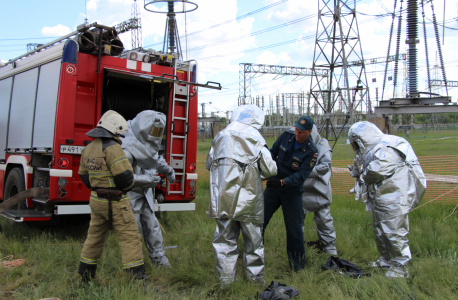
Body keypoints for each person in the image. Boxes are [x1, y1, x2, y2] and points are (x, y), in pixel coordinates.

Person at [206, 105, 277, 287]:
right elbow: (270, 170)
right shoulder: (255, 137)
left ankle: (225, 282)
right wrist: (252, 175)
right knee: (253, 242)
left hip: (223, 199)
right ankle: (255, 281)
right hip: (249, 200)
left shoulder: (220, 136)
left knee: (224, 241)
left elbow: (209, 164)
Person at [348, 121, 426, 278]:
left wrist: (360, 175)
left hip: (395, 196)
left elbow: (376, 170)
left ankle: (400, 266)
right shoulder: (373, 148)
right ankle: (386, 260)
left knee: (394, 230)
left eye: (356, 143)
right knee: (380, 230)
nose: (355, 147)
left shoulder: (388, 146)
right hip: (381, 196)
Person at [77, 110, 146, 282]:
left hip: (96, 200)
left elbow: (84, 176)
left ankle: (85, 275)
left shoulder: (88, 148)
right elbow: (124, 178)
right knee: (130, 238)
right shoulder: (113, 148)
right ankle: (136, 280)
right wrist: (129, 185)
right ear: (114, 129)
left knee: (94, 237)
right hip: (116, 202)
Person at [121, 110, 175, 268]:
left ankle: (159, 259)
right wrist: (147, 180)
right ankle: (134, 264)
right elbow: (123, 177)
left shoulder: (148, 143)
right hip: (131, 194)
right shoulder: (127, 145)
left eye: (159, 130)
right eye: (154, 129)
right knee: (134, 230)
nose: (156, 134)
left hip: (146, 192)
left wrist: (167, 169)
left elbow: (154, 158)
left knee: (152, 226)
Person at [263, 116, 318, 272]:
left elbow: (301, 175)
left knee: (294, 230)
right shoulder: (287, 135)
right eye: (296, 130)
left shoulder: (311, 151)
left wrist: (283, 182)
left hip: (292, 192)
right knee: (259, 221)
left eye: (301, 132)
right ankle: (253, 256)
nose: (297, 134)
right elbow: (272, 153)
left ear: (309, 131)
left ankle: (297, 267)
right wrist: (268, 170)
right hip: (273, 186)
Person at [302, 125, 337, 256]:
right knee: (297, 220)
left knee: (324, 219)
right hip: (300, 190)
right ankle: (298, 248)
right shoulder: (294, 143)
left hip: (319, 189)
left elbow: (325, 166)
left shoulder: (323, 145)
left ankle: (329, 249)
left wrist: (303, 171)